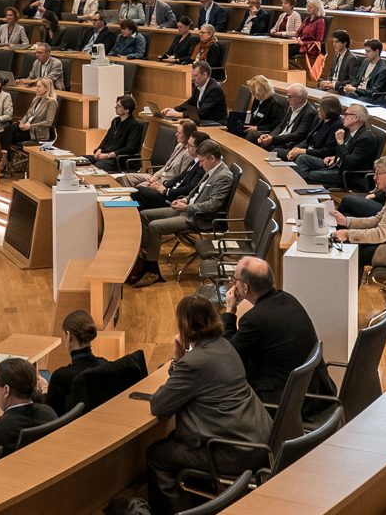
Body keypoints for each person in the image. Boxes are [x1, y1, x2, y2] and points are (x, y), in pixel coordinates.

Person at [144, 295, 272, 515]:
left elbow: (159, 406)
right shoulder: (225, 346)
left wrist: (177, 360)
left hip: (232, 452)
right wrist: (180, 361)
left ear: (184, 326)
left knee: (157, 455)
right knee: (172, 441)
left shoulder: (194, 363)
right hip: (259, 441)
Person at [221, 257, 333, 403]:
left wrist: (229, 312)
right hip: (315, 392)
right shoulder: (289, 299)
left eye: (235, 280)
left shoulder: (253, 320)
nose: (234, 284)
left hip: (286, 401)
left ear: (245, 288)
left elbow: (227, 354)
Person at [136, 141, 235, 285]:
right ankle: (144, 259)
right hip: (188, 209)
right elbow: (197, 192)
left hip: (198, 217)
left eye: (201, 161)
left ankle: (152, 271)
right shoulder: (212, 169)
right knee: (144, 215)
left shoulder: (223, 176)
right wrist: (184, 199)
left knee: (154, 227)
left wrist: (187, 207)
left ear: (212, 158)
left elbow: (213, 205)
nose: (200, 165)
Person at [296, 101, 381, 187]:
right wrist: (334, 157)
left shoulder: (366, 138)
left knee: (306, 175)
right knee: (303, 158)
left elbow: (350, 163)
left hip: (346, 176)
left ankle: (297, 192)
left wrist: (340, 142)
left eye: (346, 114)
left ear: (356, 118)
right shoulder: (353, 132)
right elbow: (348, 153)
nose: (343, 117)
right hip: (337, 165)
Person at [43, 310, 109, 417]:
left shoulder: (60, 377)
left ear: (69, 336)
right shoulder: (104, 364)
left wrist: (44, 389)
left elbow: (49, 416)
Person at [119, 120, 199, 192]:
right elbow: (167, 166)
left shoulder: (189, 155)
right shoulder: (179, 146)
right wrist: (155, 176)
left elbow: (181, 178)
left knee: (140, 187)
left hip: (166, 182)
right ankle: (124, 203)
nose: (176, 134)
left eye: (179, 133)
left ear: (187, 135)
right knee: (127, 178)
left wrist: (160, 186)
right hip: (160, 176)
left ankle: (133, 206)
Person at [6, 76, 58, 171]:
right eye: (36, 86)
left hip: (37, 131)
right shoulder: (36, 99)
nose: (36, 88)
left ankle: (6, 163)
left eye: (39, 86)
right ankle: (7, 162)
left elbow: (48, 122)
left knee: (6, 136)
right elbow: (28, 114)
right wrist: (22, 123)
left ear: (46, 88)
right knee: (7, 129)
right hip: (26, 126)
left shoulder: (52, 102)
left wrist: (30, 126)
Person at [284, 95, 344, 172]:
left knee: (301, 158)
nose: (318, 109)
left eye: (321, 108)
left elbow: (326, 152)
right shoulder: (320, 119)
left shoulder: (337, 125)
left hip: (321, 158)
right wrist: (295, 149)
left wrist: (302, 151)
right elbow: (309, 139)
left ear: (329, 110)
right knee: (278, 152)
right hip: (308, 151)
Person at [90, 95, 146, 173]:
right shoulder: (116, 121)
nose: (115, 107)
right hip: (106, 156)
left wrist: (108, 155)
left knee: (94, 169)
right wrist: (99, 150)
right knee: (79, 161)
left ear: (126, 110)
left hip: (119, 160)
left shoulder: (134, 126)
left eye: (119, 106)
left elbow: (130, 149)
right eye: (116, 105)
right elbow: (106, 139)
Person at [253, 83, 317, 150]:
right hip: (279, 139)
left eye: (290, 97)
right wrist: (269, 136)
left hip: (288, 144)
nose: (288, 99)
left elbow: (297, 135)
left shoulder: (309, 113)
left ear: (300, 98)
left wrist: (273, 139)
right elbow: (281, 126)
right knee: (253, 135)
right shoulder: (293, 106)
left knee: (273, 149)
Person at [351, 39, 386, 105]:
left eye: (368, 51)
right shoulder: (365, 61)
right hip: (359, 91)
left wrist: (355, 89)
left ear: (377, 51)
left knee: (358, 102)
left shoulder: (382, 70)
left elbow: (374, 92)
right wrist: (350, 86)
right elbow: (357, 79)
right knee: (349, 93)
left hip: (370, 97)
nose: (365, 54)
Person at [293, 0, 327, 73]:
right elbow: (298, 33)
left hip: (310, 48)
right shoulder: (306, 20)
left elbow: (318, 41)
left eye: (310, 7)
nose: (307, 8)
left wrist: (303, 43)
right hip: (299, 44)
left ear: (316, 8)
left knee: (287, 51)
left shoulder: (320, 22)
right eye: (307, 6)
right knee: (283, 48)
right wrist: (295, 38)